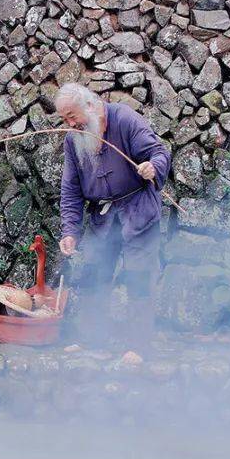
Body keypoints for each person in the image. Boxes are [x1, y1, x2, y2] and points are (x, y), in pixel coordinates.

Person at [56, 82, 171, 341]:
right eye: (64, 119)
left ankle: (138, 346)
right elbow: (70, 188)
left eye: (72, 116)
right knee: (93, 275)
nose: (70, 124)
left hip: (138, 211)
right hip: (104, 218)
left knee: (139, 278)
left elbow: (158, 152)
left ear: (89, 105)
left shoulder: (125, 119)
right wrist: (70, 231)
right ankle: (92, 341)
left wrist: (152, 167)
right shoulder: (72, 139)